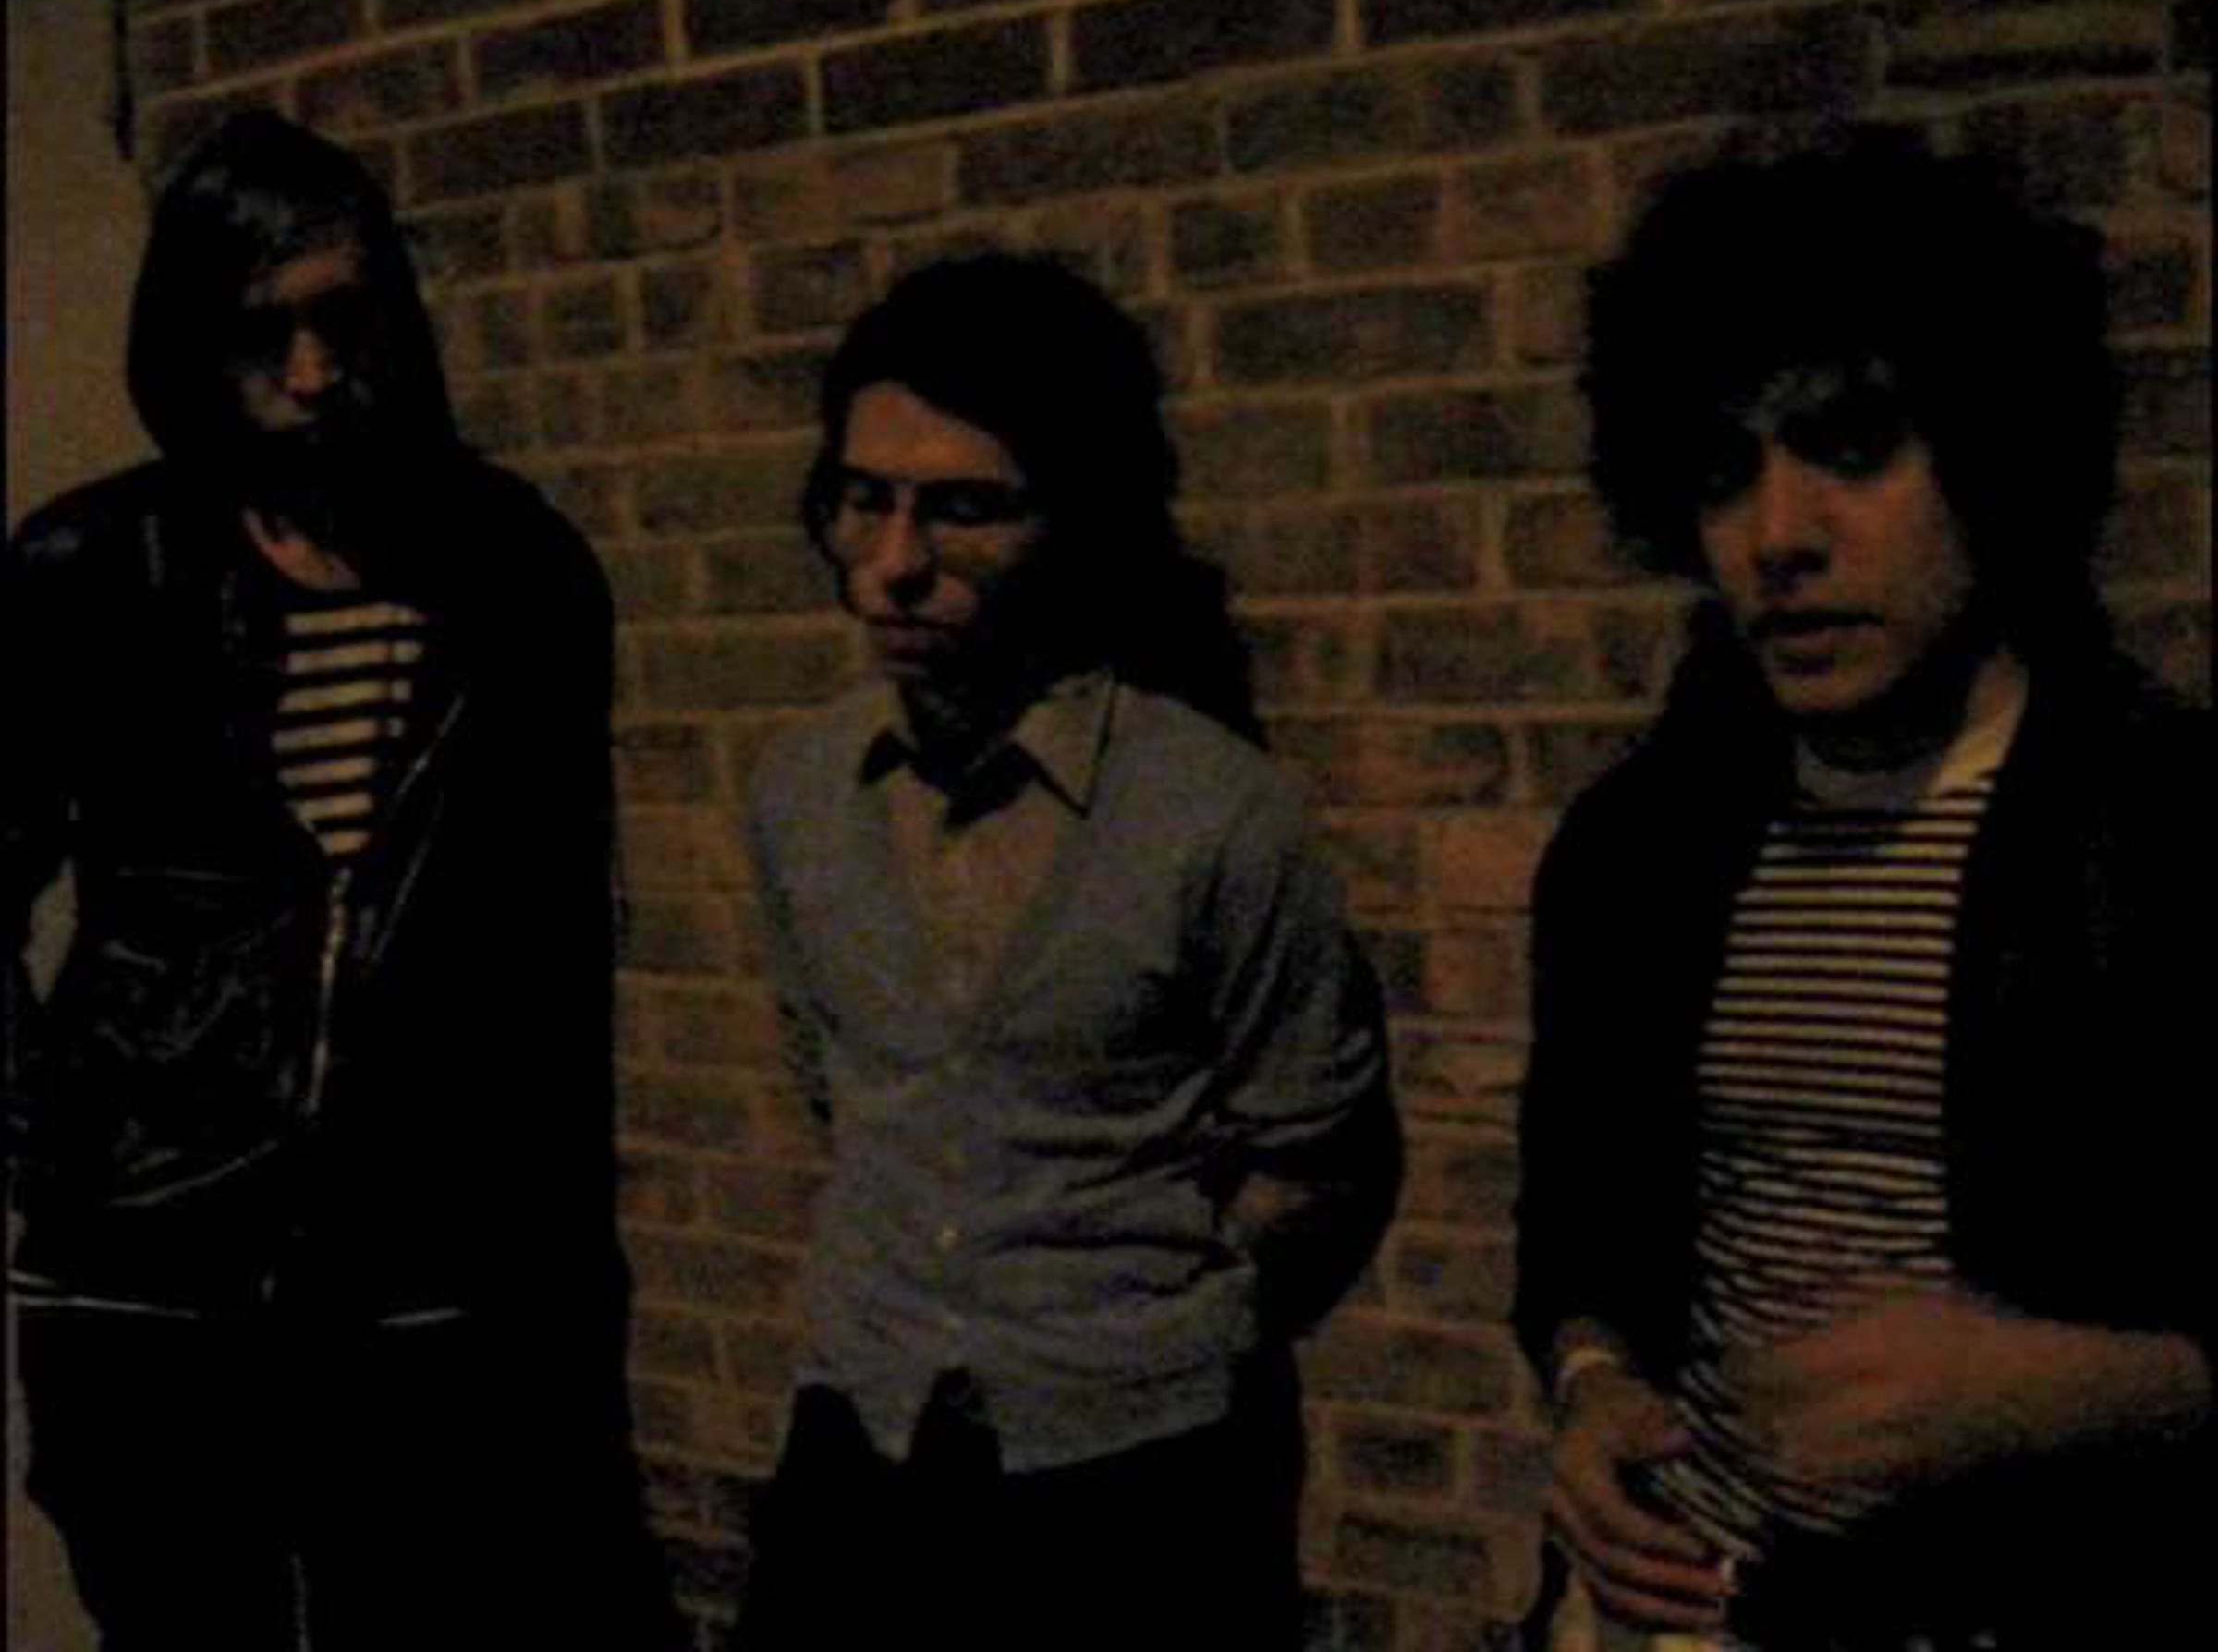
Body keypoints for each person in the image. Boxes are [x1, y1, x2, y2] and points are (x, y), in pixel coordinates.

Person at [1513, 127, 2212, 1651]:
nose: (1779, 536)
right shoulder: (1637, 848)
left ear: (1996, 455)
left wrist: (2070, 1391)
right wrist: (1592, 1386)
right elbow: (1577, 1213)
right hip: (1672, 1607)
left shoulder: (2173, 832)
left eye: (1852, 449)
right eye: (1725, 475)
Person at [2, 110, 679, 1649]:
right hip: (148, 1277)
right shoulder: (92, 571)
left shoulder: (518, 571)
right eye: (263, 334)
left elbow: (554, 960)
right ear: (192, 341)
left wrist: (563, 1290)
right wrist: (54, 1130)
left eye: (345, 321)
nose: (313, 375)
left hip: (423, 1282)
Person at [737, 252, 1400, 1651]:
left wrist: (1143, 1319)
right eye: (864, 500)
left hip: (1136, 1473)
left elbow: (1319, 1155)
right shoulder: (799, 792)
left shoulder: (1218, 813)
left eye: (965, 509)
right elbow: (840, 1077)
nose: (896, 564)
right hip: (867, 1420)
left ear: (1076, 521)